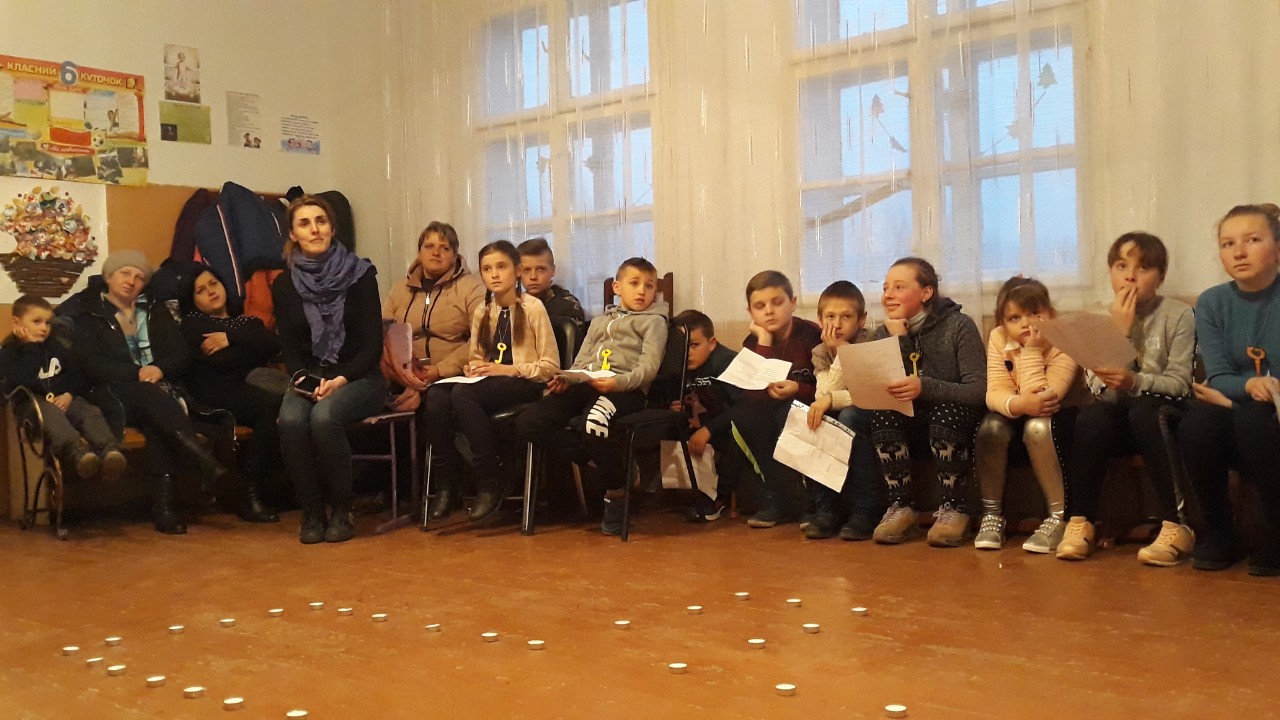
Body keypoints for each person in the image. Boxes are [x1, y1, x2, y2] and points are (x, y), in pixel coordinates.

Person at [59, 250, 229, 535]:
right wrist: (135, 373)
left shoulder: (154, 310)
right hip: (112, 394)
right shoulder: (89, 313)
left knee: (155, 422)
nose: (132, 281)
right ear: (109, 277)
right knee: (152, 398)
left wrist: (159, 368)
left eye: (139, 277)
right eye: (125, 273)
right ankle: (203, 461)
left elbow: (181, 354)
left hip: (158, 393)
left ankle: (164, 509)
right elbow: (90, 363)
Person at [1059, 233, 1195, 564]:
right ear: (1110, 272)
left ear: (1161, 276)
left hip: (1161, 418)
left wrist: (1135, 381)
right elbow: (1097, 389)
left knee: (1145, 410)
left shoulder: (1179, 315)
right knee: (1091, 416)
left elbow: (1181, 384)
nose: (1130, 276)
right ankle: (1081, 521)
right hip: (1116, 418)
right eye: (1121, 266)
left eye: (1143, 268)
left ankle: (1177, 525)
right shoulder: (1097, 317)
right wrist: (1119, 332)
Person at [517, 257, 668, 536]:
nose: (642, 291)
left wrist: (616, 383)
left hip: (626, 389)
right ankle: (612, 464)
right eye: (634, 283)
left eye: (649, 286)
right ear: (617, 287)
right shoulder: (599, 322)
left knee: (594, 423)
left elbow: (647, 370)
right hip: (589, 382)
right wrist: (566, 379)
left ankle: (616, 494)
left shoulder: (654, 323)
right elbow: (581, 363)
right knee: (530, 421)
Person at [274, 195, 386, 544]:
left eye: (321, 221)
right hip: (309, 376)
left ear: (333, 228)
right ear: (293, 234)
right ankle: (311, 511)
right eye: (304, 223)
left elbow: (372, 345)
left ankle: (342, 508)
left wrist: (340, 379)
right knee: (291, 420)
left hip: (359, 376)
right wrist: (306, 381)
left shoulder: (361, 275)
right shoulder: (284, 284)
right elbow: (290, 349)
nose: (314, 229)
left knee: (324, 417)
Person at [425, 240, 560, 522]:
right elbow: (476, 357)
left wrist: (508, 370)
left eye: (501, 267)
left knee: (463, 395)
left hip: (524, 381)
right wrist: (474, 368)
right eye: (487, 269)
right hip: (489, 384)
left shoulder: (533, 307)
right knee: (436, 396)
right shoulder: (483, 312)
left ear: (517, 271)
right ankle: (447, 483)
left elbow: (550, 367)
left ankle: (489, 478)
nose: (494, 274)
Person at [1180, 204, 1280, 576]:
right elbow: (1218, 375)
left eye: (1252, 240)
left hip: (1269, 413)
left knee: (1254, 419)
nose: (1239, 252)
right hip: (1240, 410)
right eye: (1228, 244)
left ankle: (1277, 532)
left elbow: (1223, 389)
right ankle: (1220, 531)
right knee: (1197, 423)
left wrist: (1234, 397)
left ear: (1277, 248)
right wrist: (1249, 385)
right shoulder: (1212, 302)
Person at [690, 271, 822, 529]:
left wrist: (797, 389)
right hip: (770, 410)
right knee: (746, 416)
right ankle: (778, 498)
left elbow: (828, 384)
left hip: (810, 404)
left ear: (793, 303)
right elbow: (751, 394)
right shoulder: (753, 342)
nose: (769, 311)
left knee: (785, 415)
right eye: (760, 306)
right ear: (750, 312)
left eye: (777, 302)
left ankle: (810, 502)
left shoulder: (810, 335)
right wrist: (764, 341)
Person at [870, 257, 986, 547]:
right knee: (883, 412)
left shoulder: (959, 326)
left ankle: (955, 508)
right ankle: (901, 507)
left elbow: (977, 390)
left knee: (946, 413)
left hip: (953, 418)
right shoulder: (882, 333)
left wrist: (925, 387)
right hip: (909, 418)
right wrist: (899, 339)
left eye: (898, 287)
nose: (888, 295)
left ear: (926, 292)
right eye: (885, 288)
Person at [974, 277, 1084, 553]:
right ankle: (992, 515)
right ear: (1002, 323)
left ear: (1051, 314)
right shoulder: (999, 337)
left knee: (1038, 426)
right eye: (1014, 318)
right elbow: (994, 393)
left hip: (1065, 413)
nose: (1026, 323)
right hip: (1022, 406)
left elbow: (1047, 397)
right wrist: (1019, 404)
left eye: (1035, 313)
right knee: (991, 427)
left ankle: (1058, 517)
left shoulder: (1066, 337)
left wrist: (1032, 350)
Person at [180, 265, 282, 523]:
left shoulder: (246, 321)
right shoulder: (194, 324)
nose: (210, 291)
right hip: (212, 391)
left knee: (283, 404)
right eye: (200, 290)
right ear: (193, 300)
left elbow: (273, 345)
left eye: (213, 283)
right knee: (268, 405)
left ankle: (274, 489)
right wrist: (248, 345)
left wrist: (229, 337)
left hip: (246, 387)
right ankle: (249, 493)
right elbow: (222, 360)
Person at [0, 295, 123, 481]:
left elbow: (76, 374)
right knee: (51, 415)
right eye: (36, 322)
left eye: (48, 323)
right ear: (17, 323)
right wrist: (30, 346)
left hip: (62, 399)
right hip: (33, 407)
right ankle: (78, 453)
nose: (44, 328)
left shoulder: (54, 346)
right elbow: (24, 379)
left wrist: (69, 394)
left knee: (88, 411)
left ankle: (109, 450)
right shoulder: (9, 352)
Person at [803, 280, 881, 540]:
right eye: (830, 317)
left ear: (861, 320)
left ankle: (865, 510)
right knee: (813, 418)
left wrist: (845, 352)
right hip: (841, 406)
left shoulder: (871, 342)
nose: (836, 324)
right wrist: (838, 354)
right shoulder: (820, 351)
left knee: (848, 416)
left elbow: (869, 392)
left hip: (872, 409)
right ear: (819, 319)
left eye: (846, 317)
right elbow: (823, 394)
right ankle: (826, 508)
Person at [381, 221, 485, 412]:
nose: (436, 253)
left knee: (436, 399)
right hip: (402, 375)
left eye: (444, 248)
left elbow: (481, 339)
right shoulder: (399, 289)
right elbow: (384, 334)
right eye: (429, 246)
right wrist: (408, 378)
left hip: (451, 376)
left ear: (455, 255)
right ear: (419, 252)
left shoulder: (472, 287)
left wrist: (439, 370)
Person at [667, 309, 740, 521]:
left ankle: (719, 498)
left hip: (729, 424)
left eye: (694, 345)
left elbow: (743, 408)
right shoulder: (677, 364)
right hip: (701, 421)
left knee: (738, 437)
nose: (687, 353)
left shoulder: (726, 362)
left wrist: (709, 429)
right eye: (682, 346)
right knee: (670, 424)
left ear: (712, 343)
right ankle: (681, 488)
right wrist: (675, 407)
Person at [517, 237, 586, 334]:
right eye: (526, 270)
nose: (533, 277)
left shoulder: (568, 306)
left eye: (540, 269)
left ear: (553, 270)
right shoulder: (514, 304)